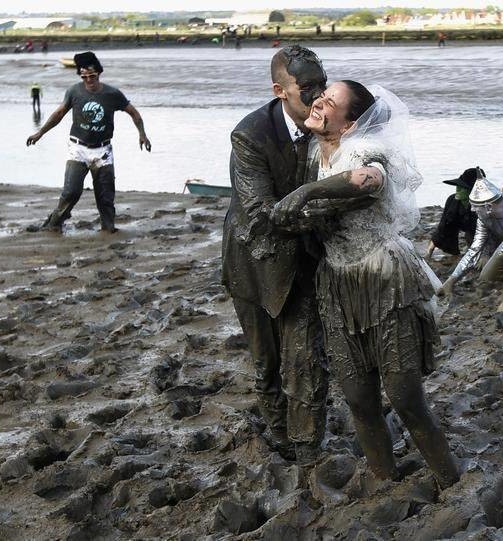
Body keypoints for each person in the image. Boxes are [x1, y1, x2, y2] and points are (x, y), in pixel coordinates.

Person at [273, 82, 460, 488]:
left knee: (406, 399)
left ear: (351, 123)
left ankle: (451, 482)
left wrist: (309, 191)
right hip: (338, 283)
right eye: (321, 95)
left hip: (385, 279)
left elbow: (369, 180)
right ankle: (384, 478)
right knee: (359, 399)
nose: (319, 101)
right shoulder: (312, 152)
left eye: (331, 102)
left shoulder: (363, 150)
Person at [221, 45, 328, 463]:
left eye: (322, 83)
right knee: (266, 364)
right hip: (254, 262)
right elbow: (259, 212)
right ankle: (280, 434)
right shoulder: (250, 135)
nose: (319, 96)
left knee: (307, 359)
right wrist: (324, 207)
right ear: (280, 90)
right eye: (308, 89)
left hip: (306, 262)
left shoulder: (331, 120)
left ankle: (306, 447)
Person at [25, 51, 151, 233]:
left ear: (99, 73)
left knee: (105, 196)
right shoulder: (74, 91)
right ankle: (54, 224)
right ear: (81, 76)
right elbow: (59, 114)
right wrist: (40, 133)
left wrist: (142, 134)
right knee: (71, 192)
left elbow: (134, 113)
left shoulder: (112, 94)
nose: (89, 80)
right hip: (78, 149)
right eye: (84, 76)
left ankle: (108, 228)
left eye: (92, 76)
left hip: (103, 151)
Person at [426, 167, 483, 258]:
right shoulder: (452, 200)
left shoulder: (484, 205)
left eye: (463, 187)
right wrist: (430, 250)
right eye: (458, 185)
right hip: (463, 225)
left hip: (479, 232)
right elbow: (444, 226)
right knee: (449, 229)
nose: (458, 189)